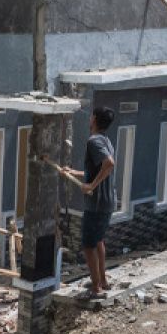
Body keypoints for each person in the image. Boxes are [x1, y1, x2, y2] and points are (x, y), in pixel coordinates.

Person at [60, 107, 116, 299]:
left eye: (91, 116)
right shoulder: (106, 140)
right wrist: (74, 173)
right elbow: (99, 170)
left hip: (98, 203)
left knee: (88, 245)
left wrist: (92, 185)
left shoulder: (94, 141)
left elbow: (109, 164)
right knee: (98, 240)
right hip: (107, 202)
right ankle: (103, 280)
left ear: (94, 119)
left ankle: (96, 287)